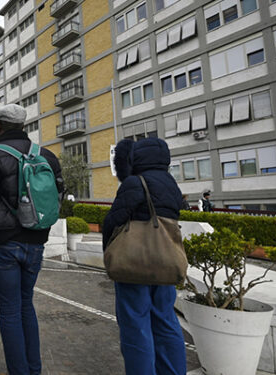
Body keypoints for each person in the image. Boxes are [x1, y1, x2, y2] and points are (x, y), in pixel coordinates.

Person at [0, 104, 62, 375]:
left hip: (2, 245)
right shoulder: (46, 155)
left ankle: (19, 371)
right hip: (35, 241)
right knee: (26, 304)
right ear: (23, 127)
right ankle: (33, 369)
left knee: (9, 311)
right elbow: (58, 195)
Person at [101, 138, 186, 375]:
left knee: (135, 326)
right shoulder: (171, 184)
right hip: (165, 264)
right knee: (166, 322)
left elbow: (113, 221)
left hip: (134, 265)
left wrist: (108, 253)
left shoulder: (135, 182)